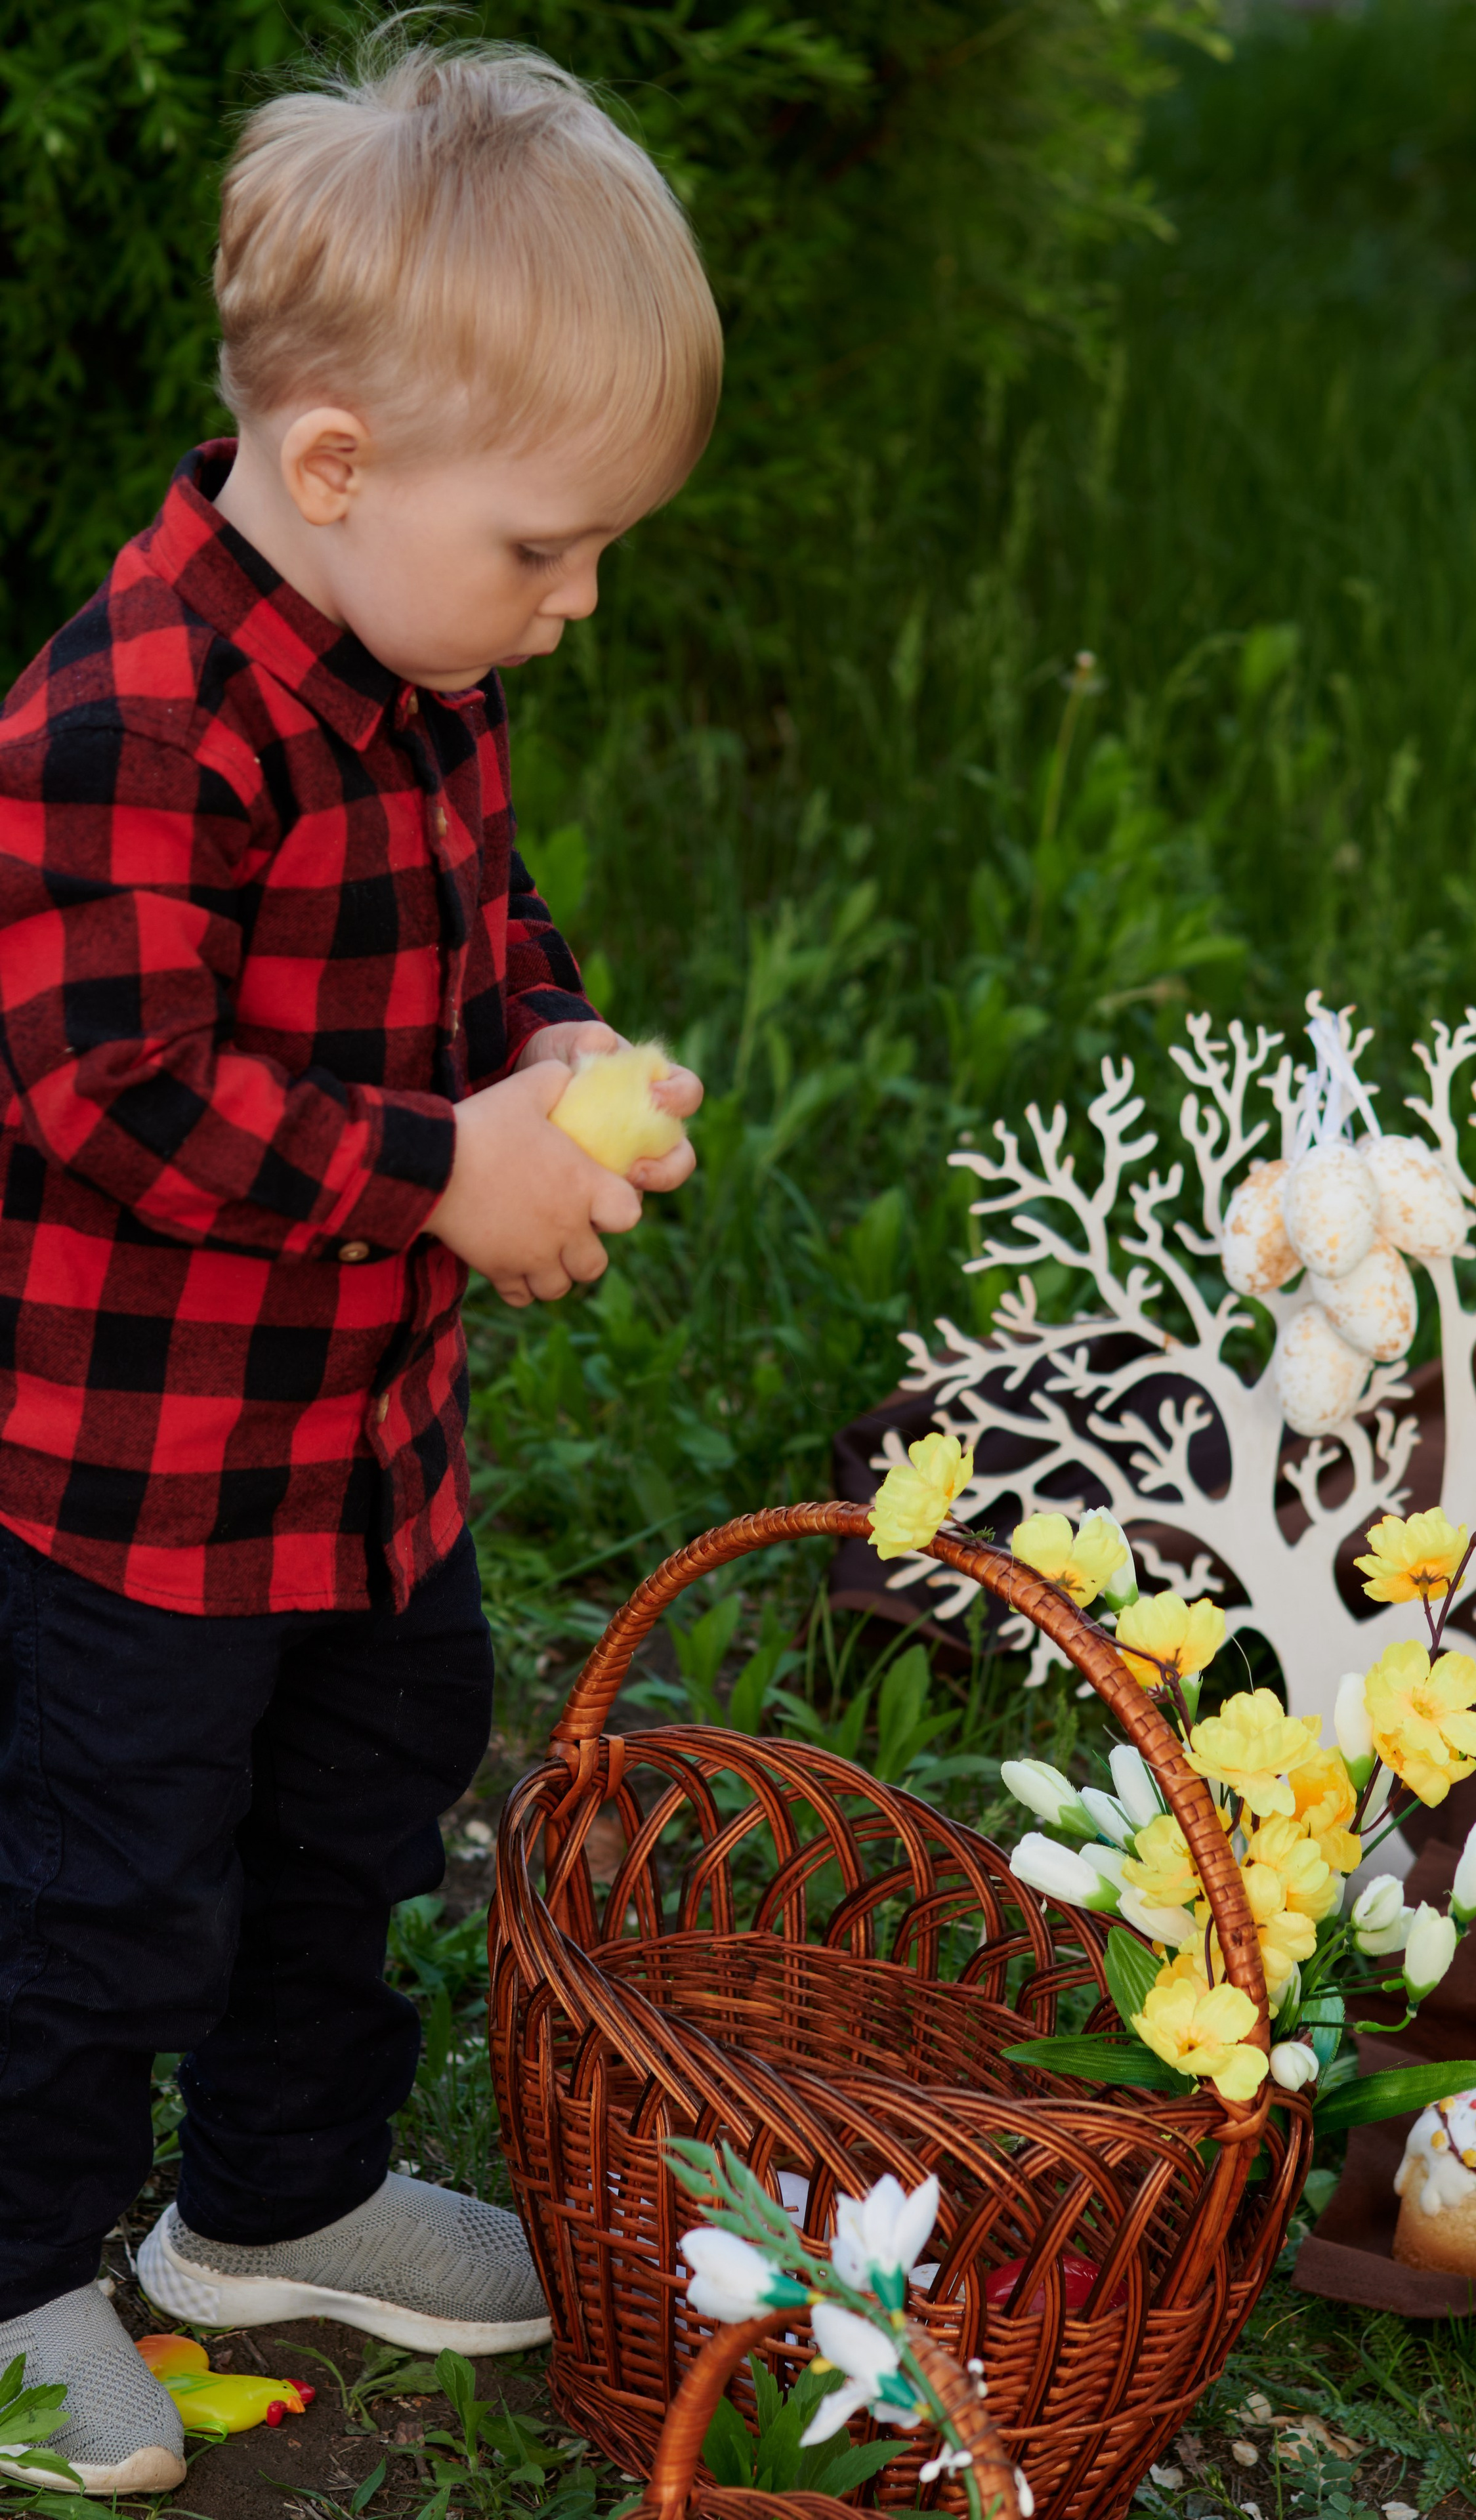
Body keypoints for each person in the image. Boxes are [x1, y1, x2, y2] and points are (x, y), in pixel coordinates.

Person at [0, 28, 719, 2494]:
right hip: (143, 1480)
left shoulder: (413, 672)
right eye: (546, 545)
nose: (577, 600)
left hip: (358, 1454)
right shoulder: (130, 717)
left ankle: (273, 2196)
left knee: (364, 1803)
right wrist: (442, 1171)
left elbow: (479, 922)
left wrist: (555, 1035)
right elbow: (106, 1087)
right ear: (336, 465)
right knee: (107, 1881)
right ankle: (9, 2276)